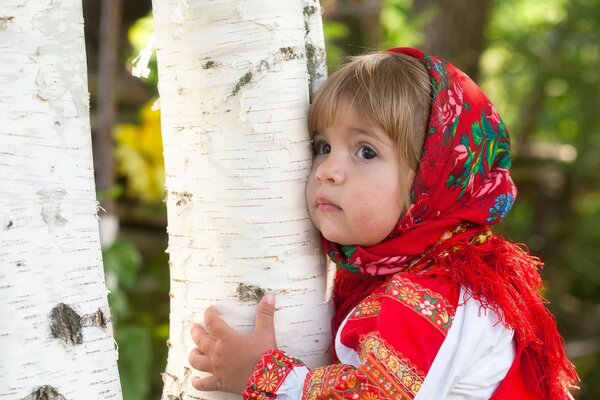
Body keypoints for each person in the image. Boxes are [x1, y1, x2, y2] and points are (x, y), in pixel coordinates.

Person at [187, 47, 579, 399]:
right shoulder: (387, 275)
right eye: (323, 147)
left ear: (431, 179)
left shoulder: (442, 293)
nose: (328, 170)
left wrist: (262, 374)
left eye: (366, 151)